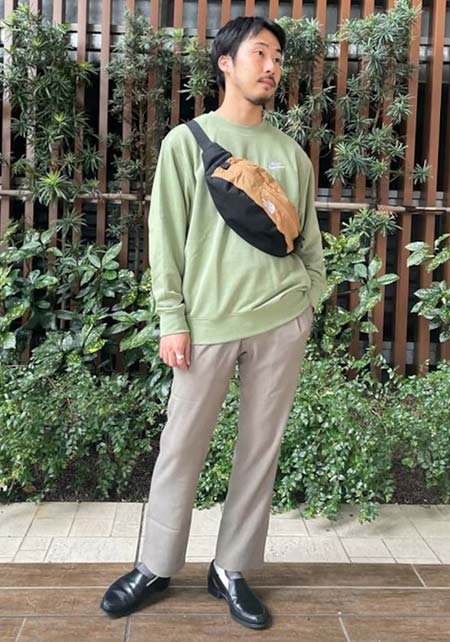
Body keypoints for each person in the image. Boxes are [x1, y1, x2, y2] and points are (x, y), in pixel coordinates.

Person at [100, 15, 326, 630]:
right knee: (180, 446)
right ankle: (155, 565)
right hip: (205, 326)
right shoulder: (186, 142)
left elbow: (308, 239)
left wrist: (308, 300)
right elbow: (165, 236)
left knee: (259, 450)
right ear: (225, 63)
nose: (271, 66)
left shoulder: (290, 154)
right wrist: (171, 318)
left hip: (281, 322)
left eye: (277, 57)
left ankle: (231, 568)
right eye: (259, 53)